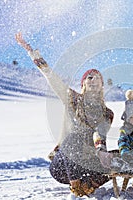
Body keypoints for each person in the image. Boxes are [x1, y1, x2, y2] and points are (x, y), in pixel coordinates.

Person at [15, 33, 114, 197]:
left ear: (102, 85)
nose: (93, 80)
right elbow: (51, 77)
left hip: (87, 163)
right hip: (63, 164)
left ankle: (89, 184)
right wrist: (32, 52)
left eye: (97, 78)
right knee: (74, 138)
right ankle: (76, 188)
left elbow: (100, 135)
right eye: (90, 77)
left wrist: (104, 154)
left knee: (118, 157)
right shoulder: (72, 99)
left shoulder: (107, 114)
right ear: (83, 84)